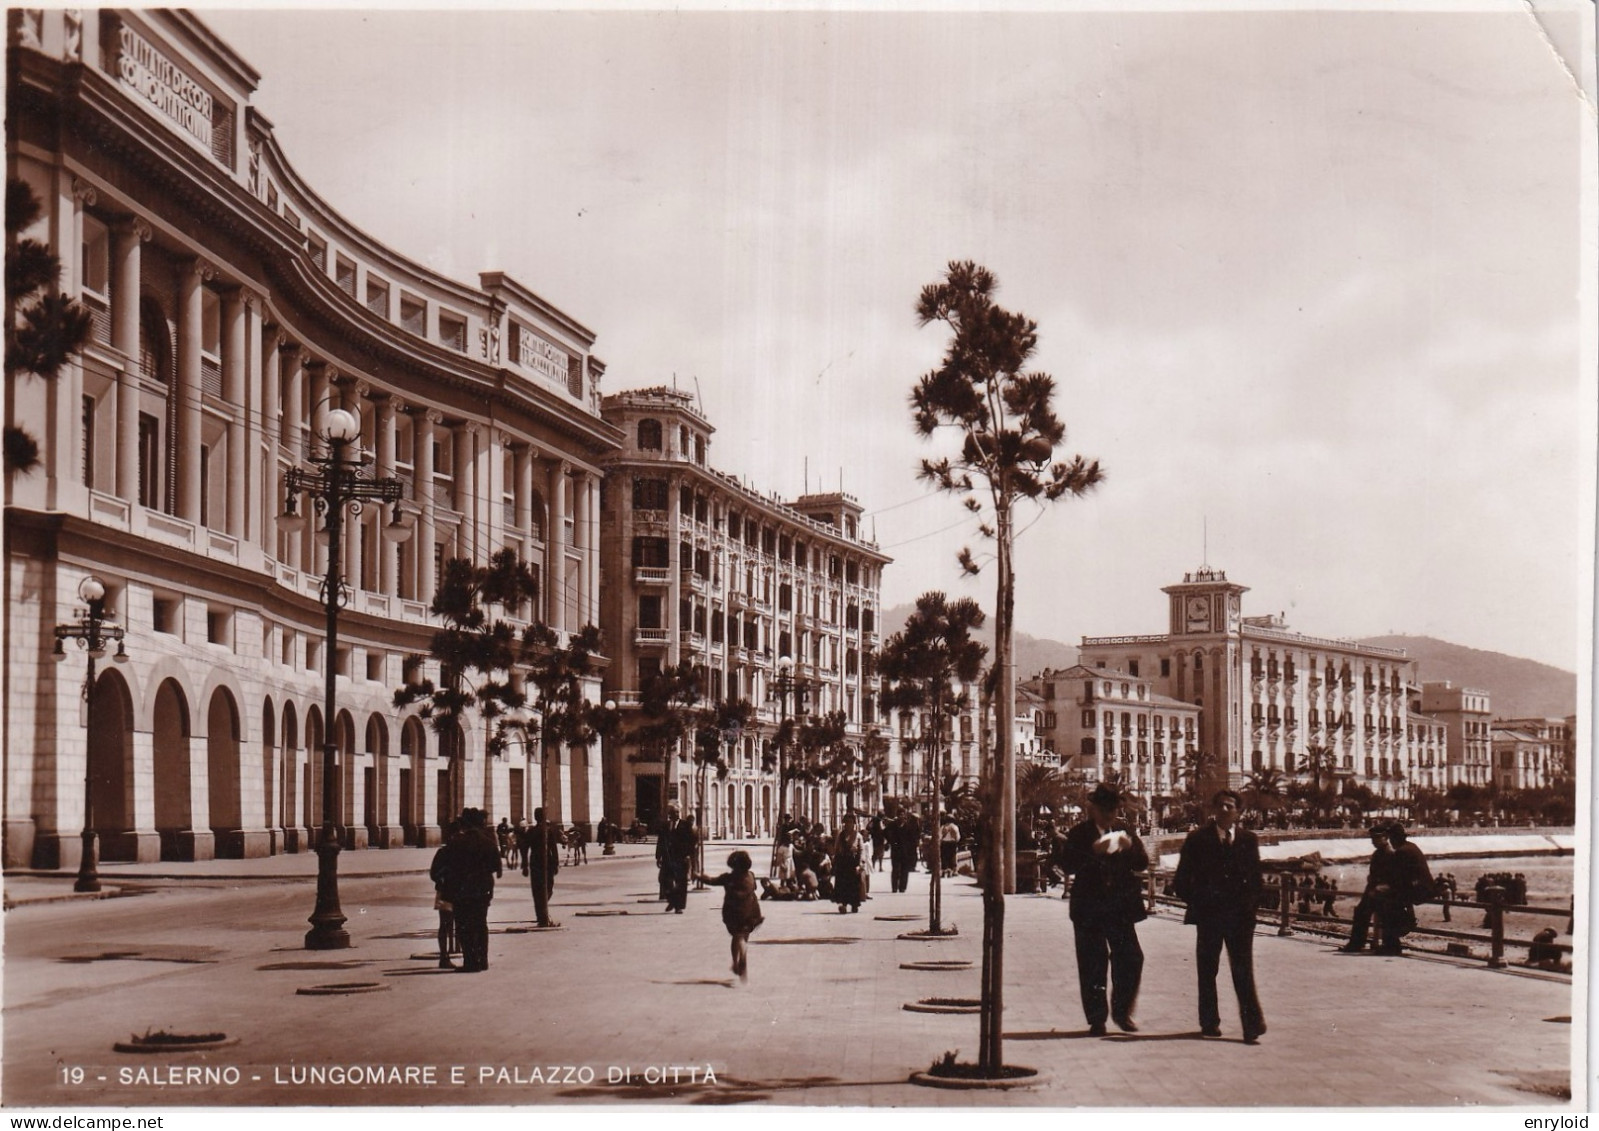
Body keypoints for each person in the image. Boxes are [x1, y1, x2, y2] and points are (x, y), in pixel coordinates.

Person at [1173, 789, 1267, 1044]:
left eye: (1230, 806)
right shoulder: (1197, 839)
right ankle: (1209, 1022)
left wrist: (1250, 909)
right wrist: (1200, 904)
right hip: (1209, 918)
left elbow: (1257, 881)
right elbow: (1180, 881)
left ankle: (1251, 1025)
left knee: (1243, 971)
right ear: (1213, 810)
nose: (1225, 810)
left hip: (1240, 919)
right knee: (1207, 971)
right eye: (1221, 806)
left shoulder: (1249, 840)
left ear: (1238, 812)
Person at [1060, 783, 1149, 1035]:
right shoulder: (1080, 833)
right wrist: (1092, 851)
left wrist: (1130, 846)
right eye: (1105, 809)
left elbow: (1142, 863)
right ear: (1094, 809)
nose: (1110, 814)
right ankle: (1097, 1018)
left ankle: (1122, 1012)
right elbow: (1067, 865)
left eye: (1114, 808)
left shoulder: (1124, 830)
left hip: (1120, 908)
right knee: (1092, 963)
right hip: (1089, 908)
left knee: (1132, 958)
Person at [444, 808, 502, 972]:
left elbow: (450, 867)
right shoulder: (488, 842)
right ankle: (482, 960)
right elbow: (495, 867)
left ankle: (470, 961)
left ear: (466, 823)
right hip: (483, 889)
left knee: (464, 925)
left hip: (463, 890)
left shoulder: (457, 842)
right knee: (481, 924)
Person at [700, 849, 764, 981]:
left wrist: (698, 876)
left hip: (733, 912)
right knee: (743, 936)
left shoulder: (728, 878)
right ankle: (743, 953)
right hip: (750, 911)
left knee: (736, 936)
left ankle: (736, 962)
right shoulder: (751, 875)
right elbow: (755, 888)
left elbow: (711, 880)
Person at [1338, 825, 1399, 953]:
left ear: (1385, 837)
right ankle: (1358, 943)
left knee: (1385, 915)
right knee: (1361, 912)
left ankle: (1390, 946)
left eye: (1377, 838)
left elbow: (1393, 877)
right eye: (1372, 839)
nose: (1373, 841)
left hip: (1384, 891)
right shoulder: (1378, 853)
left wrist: (1379, 887)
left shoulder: (1390, 853)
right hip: (1373, 889)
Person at [1379, 823, 1433, 955]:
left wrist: (1386, 886)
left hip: (1418, 889)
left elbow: (1398, 878)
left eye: (1391, 838)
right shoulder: (1411, 847)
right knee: (1390, 901)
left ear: (1394, 838)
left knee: (1386, 904)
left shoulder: (1402, 851)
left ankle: (1392, 943)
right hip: (1423, 887)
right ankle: (1395, 938)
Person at [428, 820, 462, 969]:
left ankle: (445, 955)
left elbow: (433, 873)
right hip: (452, 892)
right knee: (447, 924)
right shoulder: (451, 852)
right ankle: (445, 956)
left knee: (446, 924)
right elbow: (434, 873)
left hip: (446, 891)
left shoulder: (444, 851)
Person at [521, 807, 561, 928]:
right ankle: (544, 915)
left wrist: (525, 865)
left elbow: (524, 849)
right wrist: (556, 864)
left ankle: (541, 915)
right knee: (548, 889)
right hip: (547, 863)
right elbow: (553, 849)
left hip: (535, 862)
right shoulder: (547, 831)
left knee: (537, 890)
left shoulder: (531, 832)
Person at [656, 805, 696, 913]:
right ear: (670, 814)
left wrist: (688, 854)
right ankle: (672, 900)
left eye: (678, 812)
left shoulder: (686, 825)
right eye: (674, 812)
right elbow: (660, 841)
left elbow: (692, 841)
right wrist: (658, 856)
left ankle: (678, 907)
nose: (676, 814)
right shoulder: (665, 826)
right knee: (664, 881)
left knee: (681, 883)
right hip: (668, 858)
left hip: (681, 858)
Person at [832, 815, 865, 914]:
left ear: (854, 824)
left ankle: (854, 904)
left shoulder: (858, 836)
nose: (848, 824)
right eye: (847, 822)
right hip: (843, 863)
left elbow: (861, 850)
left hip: (853, 863)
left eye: (851, 822)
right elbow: (836, 849)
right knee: (842, 885)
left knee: (854, 885)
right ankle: (843, 904)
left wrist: (860, 864)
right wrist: (835, 861)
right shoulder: (840, 835)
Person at [890, 811, 918, 893]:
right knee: (895, 870)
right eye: (900, 815)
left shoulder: (908, 826)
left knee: (904, 870)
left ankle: (902, 887)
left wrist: (911, 848)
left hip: (906, 851)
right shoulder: (893, 825)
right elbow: (885, 832)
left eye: (903, 815)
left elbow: (913, 838)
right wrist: (891, 841)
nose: (901, 817)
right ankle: (894, 887)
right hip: (895, 851)